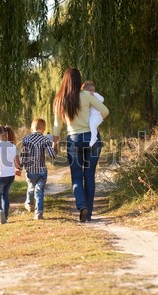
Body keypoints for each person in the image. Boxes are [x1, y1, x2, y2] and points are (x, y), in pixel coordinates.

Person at [53, 68, 109, 222]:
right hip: (92, 139)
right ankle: (89, 214)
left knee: (76, 177)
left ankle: (81, 206)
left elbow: (57, 125)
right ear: (79, 80)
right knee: (89, 176)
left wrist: (54, 143)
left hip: (74, 140)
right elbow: (105, 111)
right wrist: (93, 121)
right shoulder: (86, 95)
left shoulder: (59, 99)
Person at [19, 118, 57, 220]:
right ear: (43, 129)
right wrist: (52, 143)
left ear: (32, 128)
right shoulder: (45, 140)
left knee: (31, 188)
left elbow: (23, 155)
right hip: (42, 171)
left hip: (30, 171)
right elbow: (52, 155)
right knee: (39, 191)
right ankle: (39, 212)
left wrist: (19, 168)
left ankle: (29, 203)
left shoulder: (26, 140)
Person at [81, 81, 105, 147]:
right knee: (91, 125)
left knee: (92, 125)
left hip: (97, 116)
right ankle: (93, 137)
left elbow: (102, 99)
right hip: (93, 117)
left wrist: (94, 94)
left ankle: (94, 138)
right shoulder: (87, 98)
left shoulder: (95, 96)